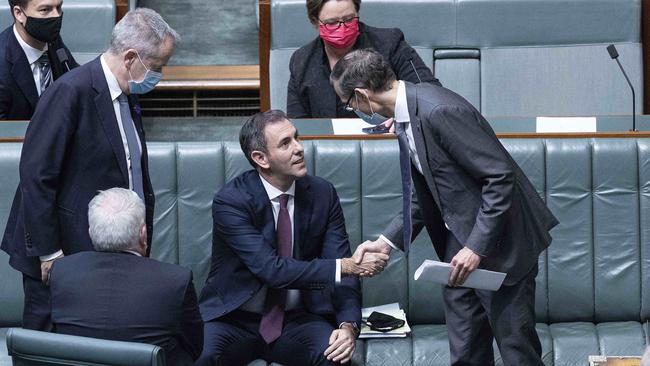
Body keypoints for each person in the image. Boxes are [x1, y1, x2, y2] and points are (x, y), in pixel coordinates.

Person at [330, 49, 559, 366]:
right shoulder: (405, 117)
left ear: (361, 94)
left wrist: (476, 247)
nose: (353, 109)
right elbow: (425, 195)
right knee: (465, 351)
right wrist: (385, 243)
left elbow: (500, 177)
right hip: (457, 252)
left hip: (502, 246)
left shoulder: (438, 110)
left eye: (349, 103)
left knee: (517, 351)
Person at [0, 8, 179, 331]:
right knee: (49, 348)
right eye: (157, 67)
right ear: (130, 58)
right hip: (59, 256)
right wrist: (49, 254)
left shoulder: (125, 94)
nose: (159, 76)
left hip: (99, 253)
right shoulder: (71, 91)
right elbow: (35, 176)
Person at [197, 110, 388, 366]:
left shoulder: (323, 194)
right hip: (234, 319)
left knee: (335, 357)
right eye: (286, 143)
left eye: (296, 138)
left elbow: (343, 272)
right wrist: (345, 266)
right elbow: (271, 269)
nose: (299, 148)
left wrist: (348, 326)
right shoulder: (231, 201)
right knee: (200, 356)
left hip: (297, 318)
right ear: (260, 158)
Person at [50, 188, 203, 365]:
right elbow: (194, 347)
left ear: (91, 231)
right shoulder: (176, 281)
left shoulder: (62, 272)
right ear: (143, 234)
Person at [287, 0, 439, 119]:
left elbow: (430, 93)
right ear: (315, 21)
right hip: (326, 148)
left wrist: (400, 119)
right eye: (332, 22)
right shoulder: (301, 61)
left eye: (349, 19)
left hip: (388, 141)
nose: (342, 27)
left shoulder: (390, 43)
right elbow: (298, 122)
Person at [0, 0, 78, 120]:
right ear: (19, 13)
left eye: (58, 7)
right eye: (45, 10)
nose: (56, 16)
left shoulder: (51, 39)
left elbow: (77, 78)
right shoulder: (3, 61)